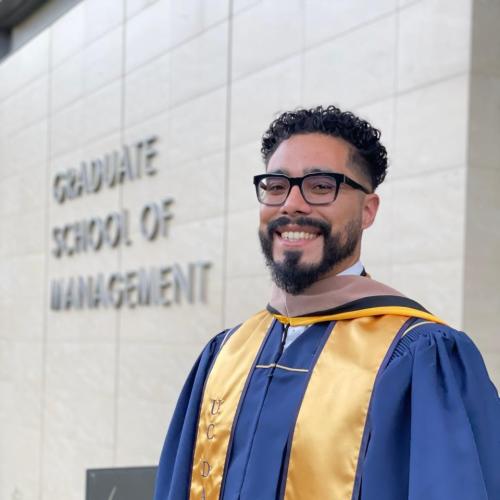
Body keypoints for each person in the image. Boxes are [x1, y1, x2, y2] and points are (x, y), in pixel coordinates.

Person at [153, 106, 500, 500]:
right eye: (276, 186)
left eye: (320, 186)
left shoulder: (420, 358)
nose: (292, 205)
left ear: (368, 211)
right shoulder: (224, 356)